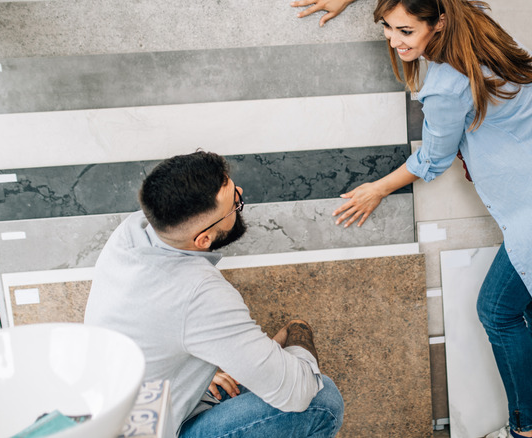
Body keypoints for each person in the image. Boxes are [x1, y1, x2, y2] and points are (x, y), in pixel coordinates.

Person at [322, 1, 532, 438]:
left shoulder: (445, 85)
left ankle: (525, 430)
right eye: (386, 26)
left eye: (404, 30)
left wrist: (377, 188)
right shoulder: (483, 31)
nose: (393, 40)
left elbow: (433, 159)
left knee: (496, 311)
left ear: (437, 25)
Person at [84, 151, 344, 438]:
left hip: (116, 412)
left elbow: (158, 327)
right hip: (153, 431)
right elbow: (299, 392)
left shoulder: (132, 232)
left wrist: (195, 371)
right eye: (236, 204)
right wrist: (297, 334)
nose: (240, 195)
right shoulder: (197, 291)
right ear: (203, 239)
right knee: (323, 402)